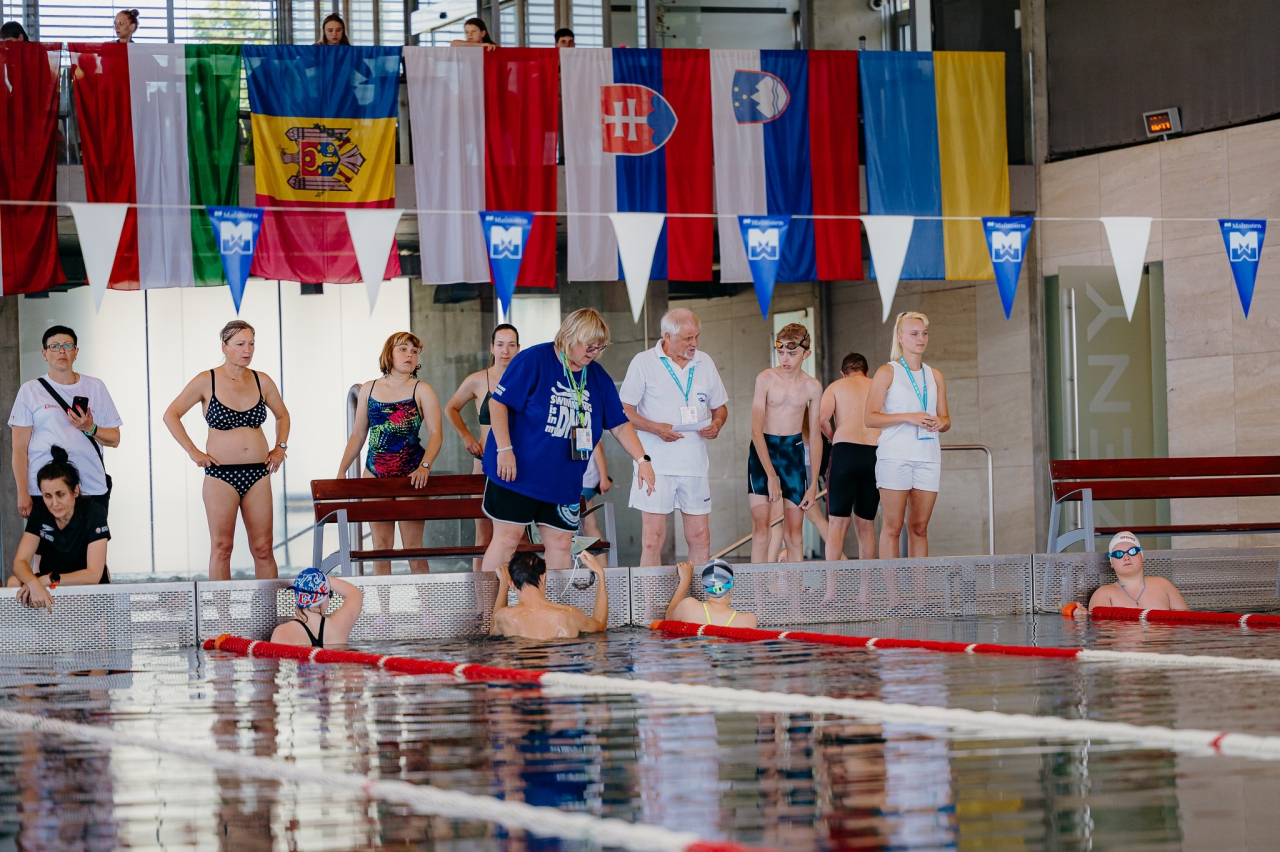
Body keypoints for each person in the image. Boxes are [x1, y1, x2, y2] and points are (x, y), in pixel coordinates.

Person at [480, 308, 656, 574]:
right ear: (570, 337)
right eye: (589, 346)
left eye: (599, 347)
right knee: (507, 540)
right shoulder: (534, 360)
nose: (593, 353)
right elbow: (498, 404)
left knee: (562, 544)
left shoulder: (597, 376)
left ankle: (553, 602)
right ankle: (491, 602)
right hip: (517, 473)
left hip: (563, 480)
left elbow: (619, 424)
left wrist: (643, 460)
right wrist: (505, 449)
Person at [163, 320, 290, 582]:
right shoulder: (206, 380)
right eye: (240, 344)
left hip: (258, 473)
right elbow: (171, 414)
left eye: (251, 344)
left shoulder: (262, 380)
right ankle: (223, 611)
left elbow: (283, 415)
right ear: (224, 346)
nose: (247, 350)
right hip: (221, 475)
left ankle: (269, 608)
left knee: (263, 548)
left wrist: (280, 448)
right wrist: (194, 452)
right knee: (222, 548)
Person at [619, 309, 729, 566]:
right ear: (668, 336)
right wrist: (655, 428)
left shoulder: (705, 362)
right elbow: (622, 411)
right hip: (655, 465)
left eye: (697, 336)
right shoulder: (643, 362)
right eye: (688, 338)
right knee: (652, 539)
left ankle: (695, 592)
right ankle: (650, 594)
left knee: (700, 537)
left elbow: (720, 407)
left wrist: (717, 423)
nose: (695, 343)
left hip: (694, 465)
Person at [336, 332, 443, 575]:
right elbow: (358, 435)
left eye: (414, 351)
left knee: (413, 548)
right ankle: (383, 602)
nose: (409, 355)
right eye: (403, 349)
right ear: (389, 354)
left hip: (411, 476)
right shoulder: (369, 389)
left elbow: (436, 434)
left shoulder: (422, 390)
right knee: (381, 547)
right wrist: (342, 470)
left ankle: (426, 601)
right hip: (375, 474)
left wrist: (424, 466)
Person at [865, 312, 950, 572]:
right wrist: (908, 417)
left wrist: (941, 422)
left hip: (928, 457)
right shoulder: (887, 372)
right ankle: (893, 593)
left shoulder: (935, 375)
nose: (921, 338)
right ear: (900, 337)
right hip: (895, 457)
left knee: (920, 528)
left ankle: (920, 592)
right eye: (914, 334)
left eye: (924, 333)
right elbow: (870, 418)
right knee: (892, 528)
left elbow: (946, 419)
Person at [9, 325, 121, 520]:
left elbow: (115, 439)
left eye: (67, 346)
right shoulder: (30, 390)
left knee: (92, 539)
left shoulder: (95, 387)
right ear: (44, 354)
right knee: (45, 540)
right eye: (54, 346)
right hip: (45, 490)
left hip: (90, 488)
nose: (62, 351)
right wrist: (22, 492)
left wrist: (90, 428)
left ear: (76, 352)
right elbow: (19, 448)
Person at [445, 323, 521, 568]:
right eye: (500, 345)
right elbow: (451, 408)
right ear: (492, 347)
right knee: (484, 536)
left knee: (517, 537)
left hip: (517, 465)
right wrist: (466, 436)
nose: (505, 351)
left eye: (511, 345)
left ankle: (515, 591)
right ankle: (482, 592)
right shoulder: (478, 380)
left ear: (519, 348)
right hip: (484, 463)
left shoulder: (527, 380)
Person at [748, 323, 823, 564]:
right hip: (763, 451)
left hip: (793, 453)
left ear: (806, 353)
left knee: (795, 536)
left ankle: (794, 590)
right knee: (761, 531)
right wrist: (771, 475)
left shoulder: (812, 387)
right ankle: (758, 590)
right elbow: (755, 431)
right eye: (780, 352)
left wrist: (813, 484)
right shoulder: (765, 378)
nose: (785, 359)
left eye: (792, 353)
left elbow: (815, 437)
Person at [7, 448, 110, 610]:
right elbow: (20, 562)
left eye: (60, 494)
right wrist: (33, 583)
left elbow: (93, 574)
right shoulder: (40, 511)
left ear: (75, 491)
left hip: (81, 586)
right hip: (48, 584)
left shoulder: (94, 512)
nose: (54, 503)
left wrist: (48, 580)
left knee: (77, 597)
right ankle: (31, 626)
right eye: (47, 496)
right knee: (13, 582)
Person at [820, 352, 882, 562]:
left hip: (845, 452)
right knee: (866, 525)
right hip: (875, 453)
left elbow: (823, 419)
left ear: (843, 373)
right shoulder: (878, 386)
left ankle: (831, 583)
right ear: (867, 371)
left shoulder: (836, 387)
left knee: (837, 524)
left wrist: (833, 438)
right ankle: (866, 584)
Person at [491, 551, 609, 639]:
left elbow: (492, 634)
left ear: (512, 584)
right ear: (543, 577)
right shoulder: (570, 614)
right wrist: (600, 574)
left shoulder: (504, 617)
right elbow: (600, 626)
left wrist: (503, 585)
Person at [1072, 532, 1189, 618]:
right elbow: (1100, 635)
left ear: (1142, 556)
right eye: (1118, 554)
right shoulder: (1104, 594)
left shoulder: (1164, 585)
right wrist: (1082, 620)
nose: (1126, 557)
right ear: (1111, 562)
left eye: (1132, 551)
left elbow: (1187, 623)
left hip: (1162, 644)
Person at [270, 568, 364, 648]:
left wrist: (309, 578)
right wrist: (322, 578)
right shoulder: (338, 626)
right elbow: (355, 593)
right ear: (324, 598)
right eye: (329, 594)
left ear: (296, 596)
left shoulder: (283, 632)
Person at [664, 559, 757, 628]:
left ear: (704, 586)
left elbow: (668, 619)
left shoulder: (688, 607)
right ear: (732, 585)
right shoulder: (748, 621)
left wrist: (685, 580)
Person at [581, 442, 611, 539]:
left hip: (584, 480)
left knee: (568, 523)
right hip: (586, 481)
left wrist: (604, 478)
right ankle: (600, 549)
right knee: (589, 524)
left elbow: (597, 448)